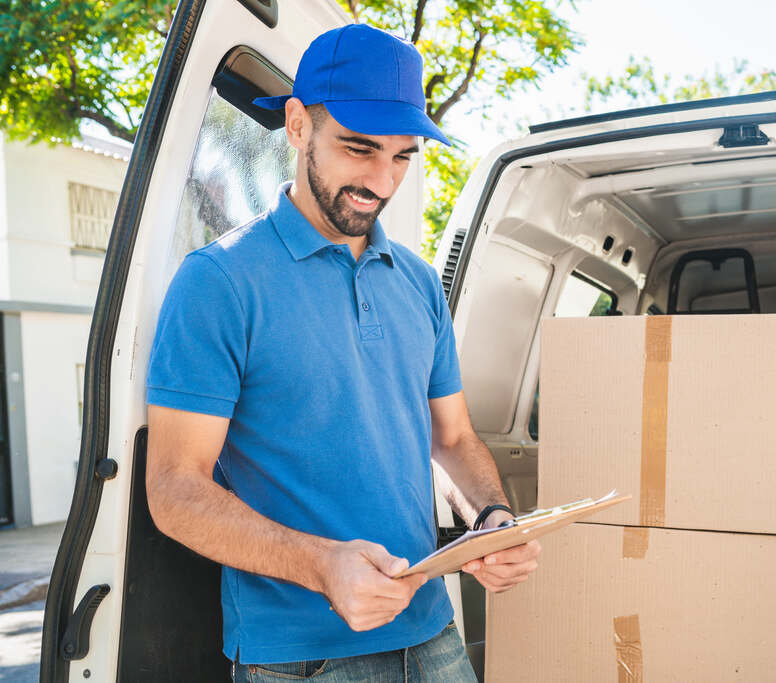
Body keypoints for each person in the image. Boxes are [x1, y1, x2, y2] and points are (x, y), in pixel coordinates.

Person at [144, 23, 540, 682]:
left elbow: (454, 437)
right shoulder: (219, 282)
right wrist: (323, 564)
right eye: (359, 148)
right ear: (297, 125)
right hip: (302, 658)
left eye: (402, 157)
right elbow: (174, 490)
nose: (381, 181)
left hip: (431, 630)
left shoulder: (416, 282)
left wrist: (491, 516)